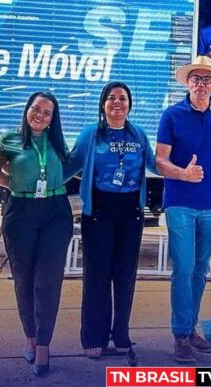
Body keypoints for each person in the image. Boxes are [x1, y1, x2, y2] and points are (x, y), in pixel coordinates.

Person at [66, 81, 157, 358]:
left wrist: (183, 171)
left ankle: (120, 334)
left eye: (123, 98)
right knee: (97, 274)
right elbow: (70, 167)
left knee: (125, 275)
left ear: (130, 104)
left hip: (131, 212)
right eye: (112, 98)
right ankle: (94, 336)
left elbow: (155, 164)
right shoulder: (91, 135)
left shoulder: (138, 134)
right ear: (103, 104)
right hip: (100, 212)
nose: (117, 102)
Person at [156, 55, 211, 363]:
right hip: (180, 204)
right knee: (183, 269)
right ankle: (180, 334)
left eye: (207, 79)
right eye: (196, 79)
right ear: (187, 82)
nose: (201, 84)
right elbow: (160, 160)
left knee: (200, 271)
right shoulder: (172, 115)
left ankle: (191, 328)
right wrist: (183, 174)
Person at [0, 91, 72, 376]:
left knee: (47, 280)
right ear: (27, 109)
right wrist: (18, 185)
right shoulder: (10, 140)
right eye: (35, 108)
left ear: (53, 119)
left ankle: (44, 344)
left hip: (55, 212)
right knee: (24, 278)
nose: (40, 115)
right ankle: (30, 336)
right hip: (21, 211)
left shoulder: (56, 141)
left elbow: (69, 168)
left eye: (47, 112)